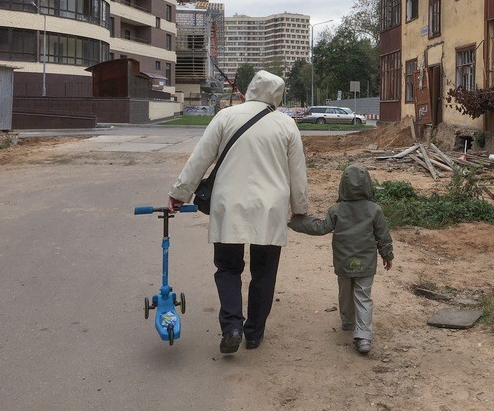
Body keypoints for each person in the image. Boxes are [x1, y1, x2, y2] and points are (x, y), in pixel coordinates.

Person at [168, 70, 308, 354]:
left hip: (229, 204)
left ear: (251, 89)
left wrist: (179, 194)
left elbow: (200, 158)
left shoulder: (225, 117)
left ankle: (232, 326)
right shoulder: (286, 125)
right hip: (270, 208)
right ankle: (254, 333)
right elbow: (297, 173)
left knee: (228, 268)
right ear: (277, 95)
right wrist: (300, 208)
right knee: (264, 272)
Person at [289, 164, 393, 354]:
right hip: (367, 262)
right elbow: (383, 235)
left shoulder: (336, 210)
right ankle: (363, 337)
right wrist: (387, 255)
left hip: (344, 261)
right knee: (363, 296)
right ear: (368, 184)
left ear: (343, 185)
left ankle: (347, 322)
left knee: (345, 293)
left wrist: (297, 221)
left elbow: (321, 227)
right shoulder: (374, 210)